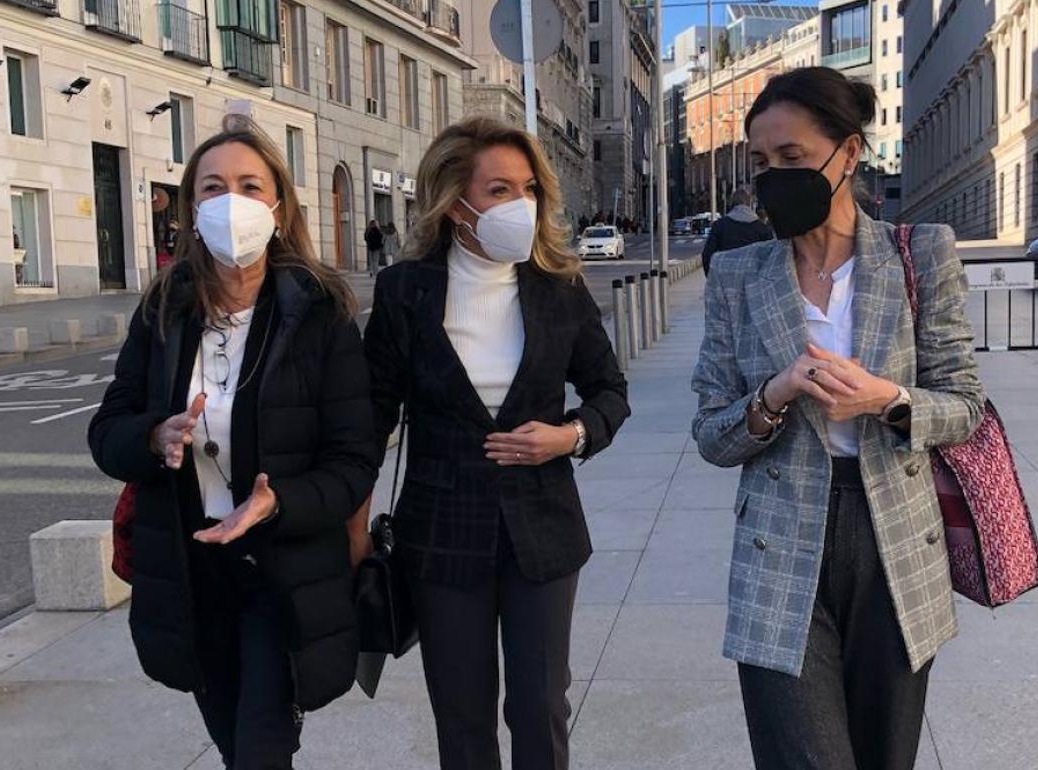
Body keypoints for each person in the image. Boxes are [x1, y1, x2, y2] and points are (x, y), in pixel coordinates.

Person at [691, 66, 985, 770]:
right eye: (760, 163)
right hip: (778, 543)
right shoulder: (738, 275)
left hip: (893, 543)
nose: (772, 177)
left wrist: (885, 398)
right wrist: (773, 396)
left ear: (849, 154)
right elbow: (711, 433)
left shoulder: (919, 253)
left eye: (791, 158)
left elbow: (966, 407)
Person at [88, 116, 374, 769]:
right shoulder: (164, 309)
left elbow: (354, 460)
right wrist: (154, 435)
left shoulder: (321, 312)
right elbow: (107, 432)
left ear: (278, 205)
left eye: (250, 185)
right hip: (190, 579)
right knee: (235, 748)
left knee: (259, 756)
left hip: (281, 578)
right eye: (213, 188)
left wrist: (280, 503)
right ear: (191, 208)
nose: (231, 202)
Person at [361, 116, 630, 770]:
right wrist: (350, 521)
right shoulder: (405, 292)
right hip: (441, 536)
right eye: (500, 190)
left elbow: (609, 392)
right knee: (462, 717)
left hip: (544, 531)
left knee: (540, 709)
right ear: (457, 204)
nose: (522, 204)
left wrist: (569, 435)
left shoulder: (558, 286)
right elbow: (371, 415)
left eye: (530, 188)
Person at [701, 188, 775, 276]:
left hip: (726, 279)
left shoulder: (719, 226)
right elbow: (771, 258)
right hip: (754, 282)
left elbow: (707, 255)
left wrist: (712, 278)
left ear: (731, 204)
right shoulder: (762, 229)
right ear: (750, 205)